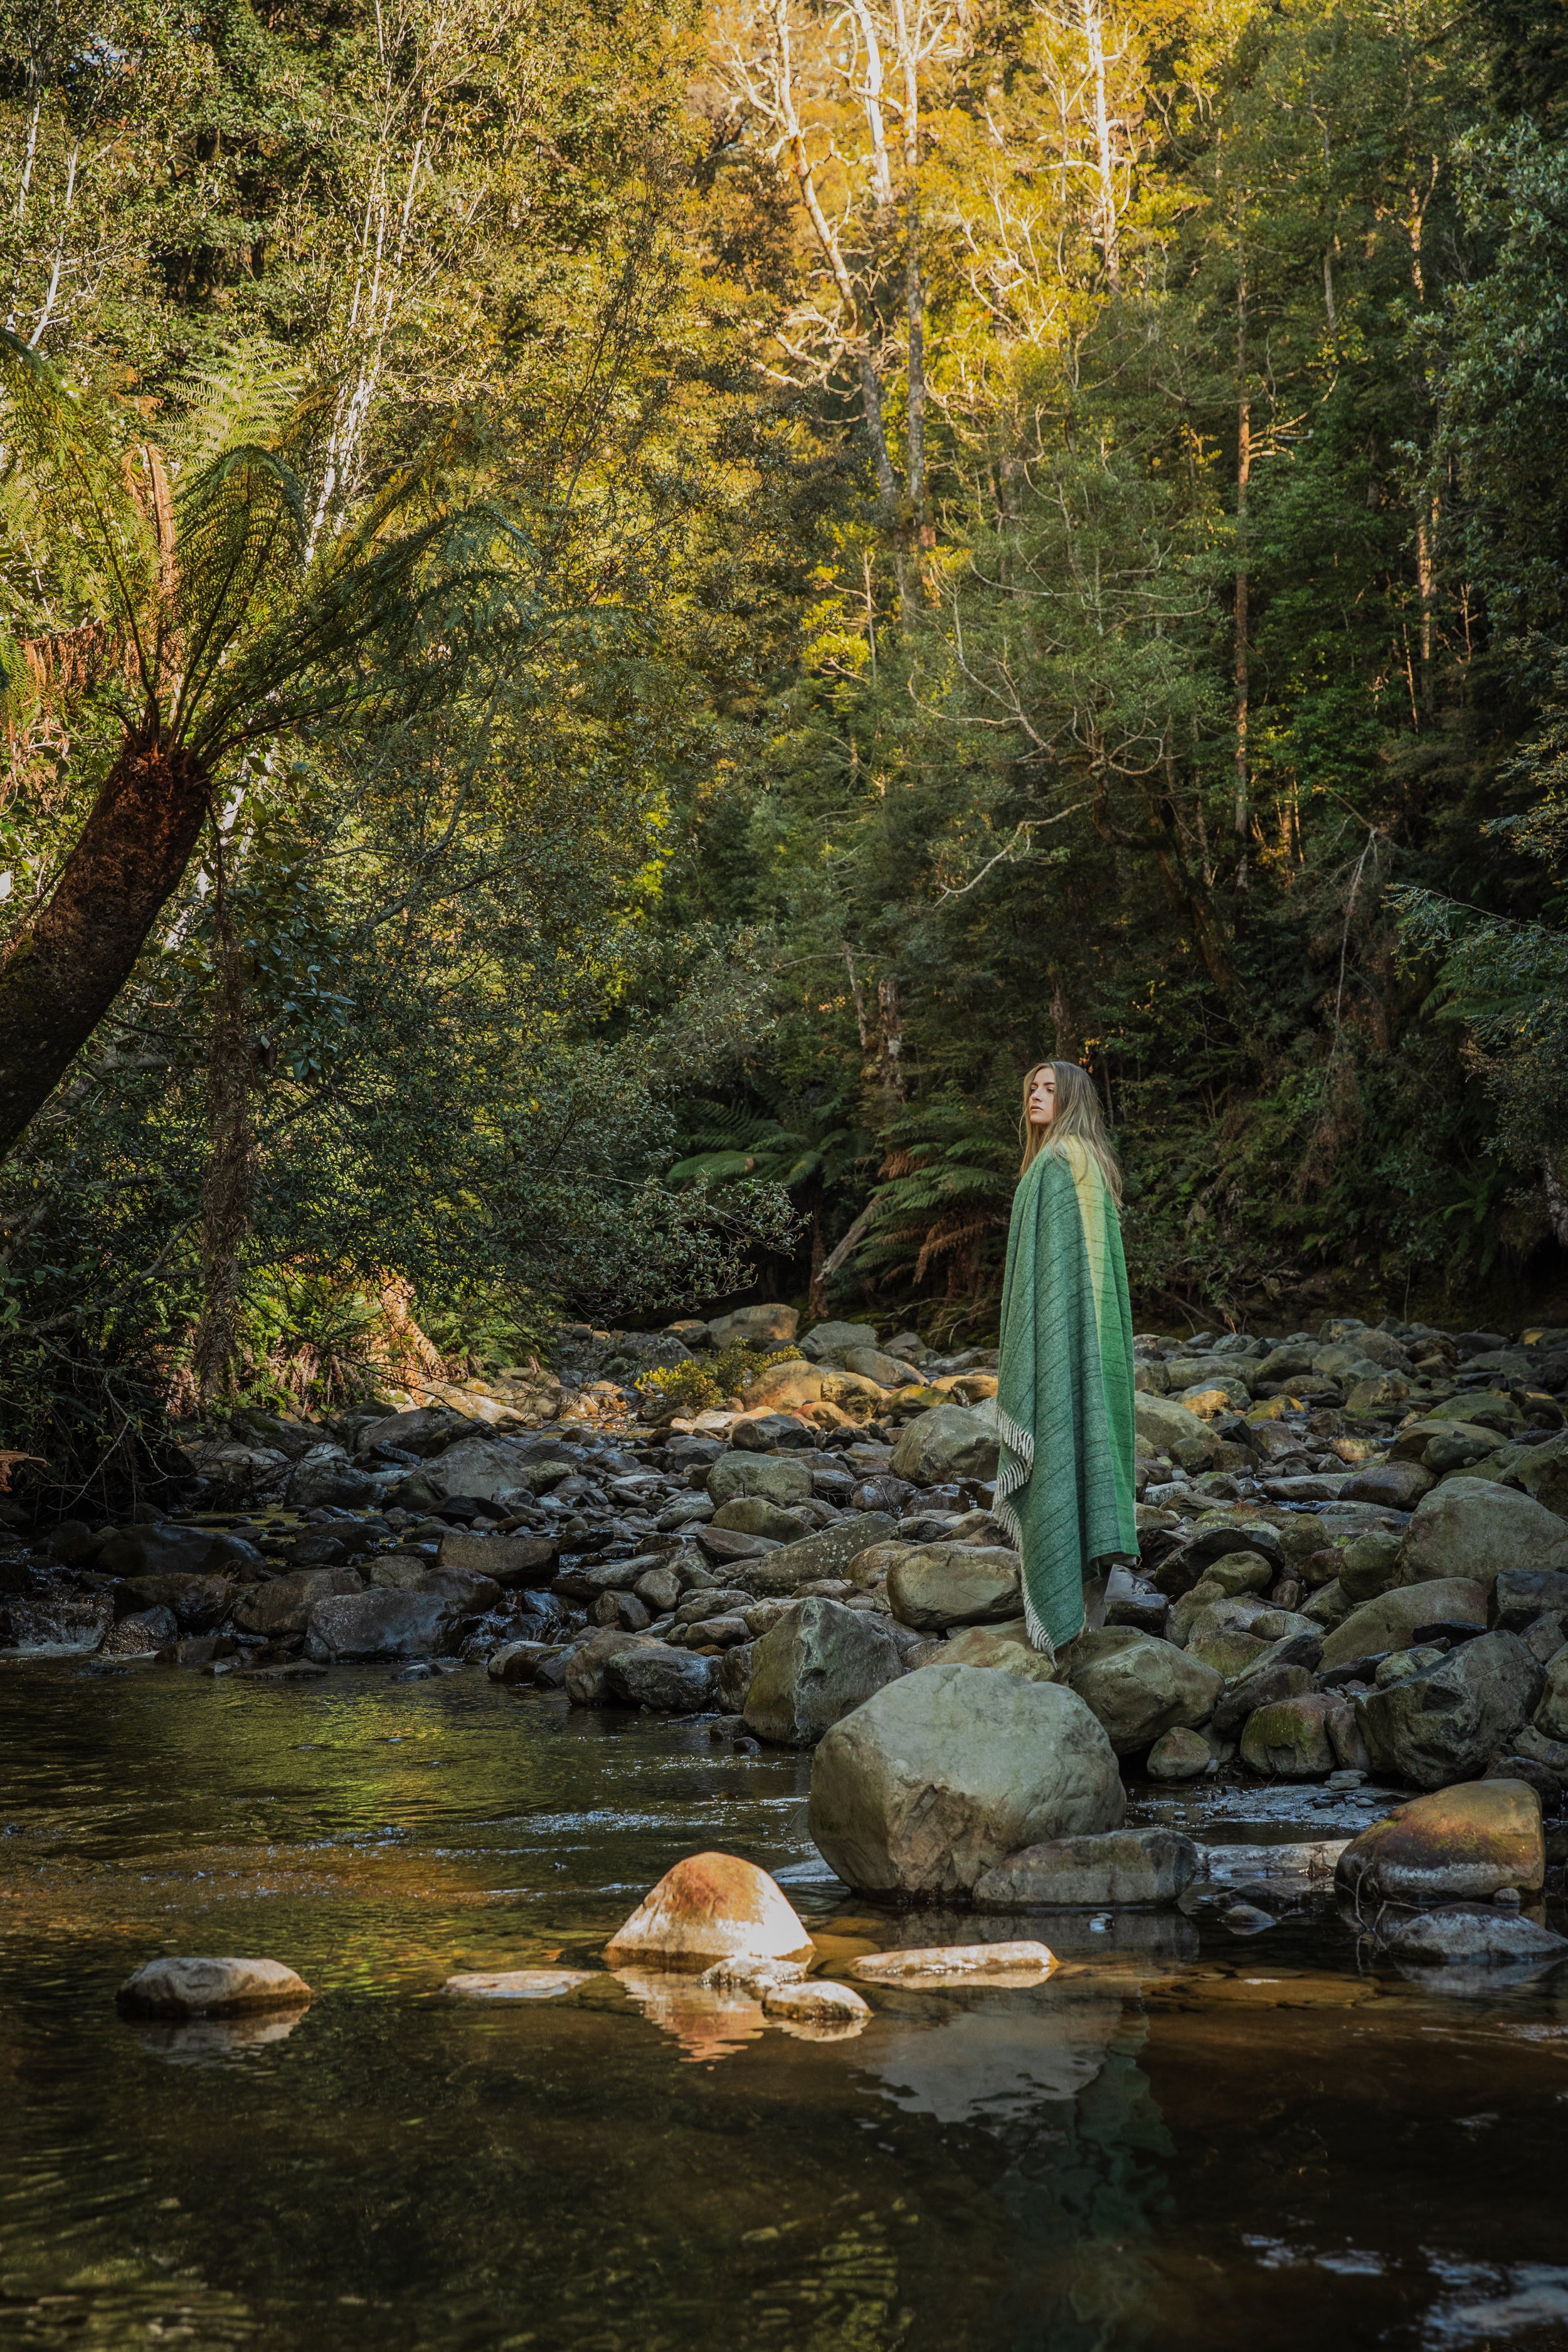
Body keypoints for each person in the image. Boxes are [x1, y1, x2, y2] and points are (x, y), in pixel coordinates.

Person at [994, 1059, 1138, 1656]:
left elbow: (1052, 1297)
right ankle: (1088, 1618)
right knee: (1089, 1446)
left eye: (1050, 1089)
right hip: (1097, 1352)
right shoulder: (1089, 1165)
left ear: (1073, 1098)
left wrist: (1043, 1357)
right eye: (1032, 1086)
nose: (1036, 1095)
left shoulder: (1057, 1166)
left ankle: (1068, 1620)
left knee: (1059, 1443)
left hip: (1070, 1348)